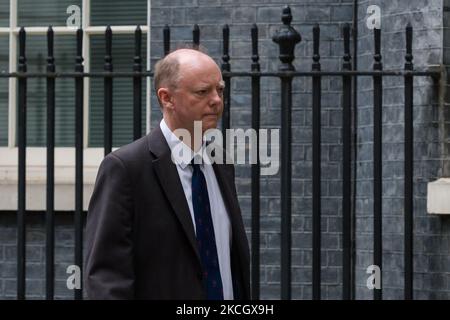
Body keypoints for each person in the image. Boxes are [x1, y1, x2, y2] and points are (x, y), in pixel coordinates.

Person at [84, 48, 250, 300]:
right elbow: (106, 279)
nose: (216, 100)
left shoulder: (221, 162)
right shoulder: (126, 168)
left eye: (220, 89)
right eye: (203, 92)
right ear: (166, 98)